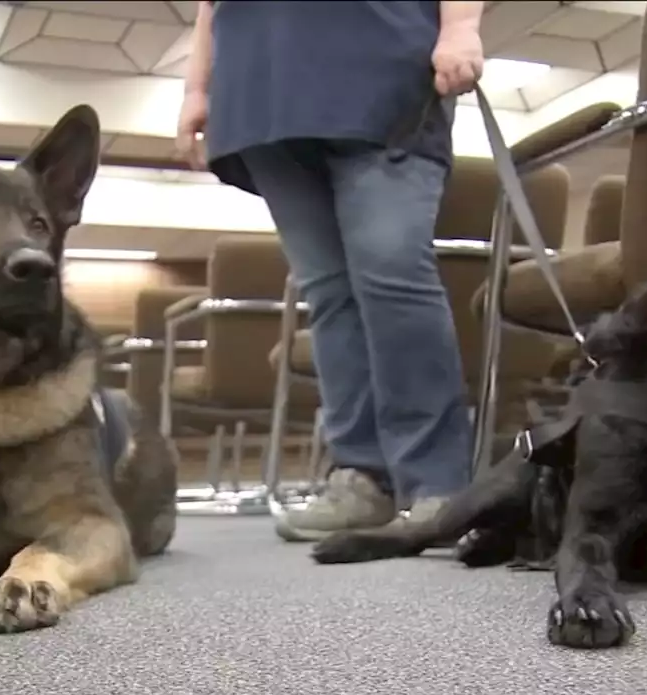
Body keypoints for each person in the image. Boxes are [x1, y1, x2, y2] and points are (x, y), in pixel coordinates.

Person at [176, 0, 486, 542]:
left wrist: (460, 27)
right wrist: (196, 89)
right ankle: (362, 476)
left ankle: (436, 482)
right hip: (260, 93)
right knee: (328, 293)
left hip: (381, 67)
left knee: (391, 275)